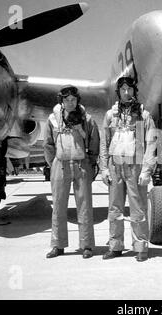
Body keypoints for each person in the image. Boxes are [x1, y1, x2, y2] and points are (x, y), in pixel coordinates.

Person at [99, 77, 157, 262]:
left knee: (138, 208)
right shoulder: (110, 115)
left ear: (134, 91)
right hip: (115, 165)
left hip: (135, 166)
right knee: (114, 208)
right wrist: (104, 168)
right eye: (123, 89)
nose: (126, 92)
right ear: (118, 92)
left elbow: (151, 144)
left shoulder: (144, 115)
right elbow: (104, 142)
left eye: (129, 89)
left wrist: (147, 170)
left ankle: (140, 247)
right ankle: (115, 246)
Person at [43, 85, 100, 259]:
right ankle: (57, 245)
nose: (70, 103)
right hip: (60, 165)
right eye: (66, 100)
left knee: (84, 206)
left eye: (73, 100)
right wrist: (53, 162)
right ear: (61, 101)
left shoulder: (87, 119)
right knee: (58, 206)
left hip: (81, 165)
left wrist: (90, 163)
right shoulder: (52, 119)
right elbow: (48, 144)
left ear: (77, 101)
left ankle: (87, 245)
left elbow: (94, 142)